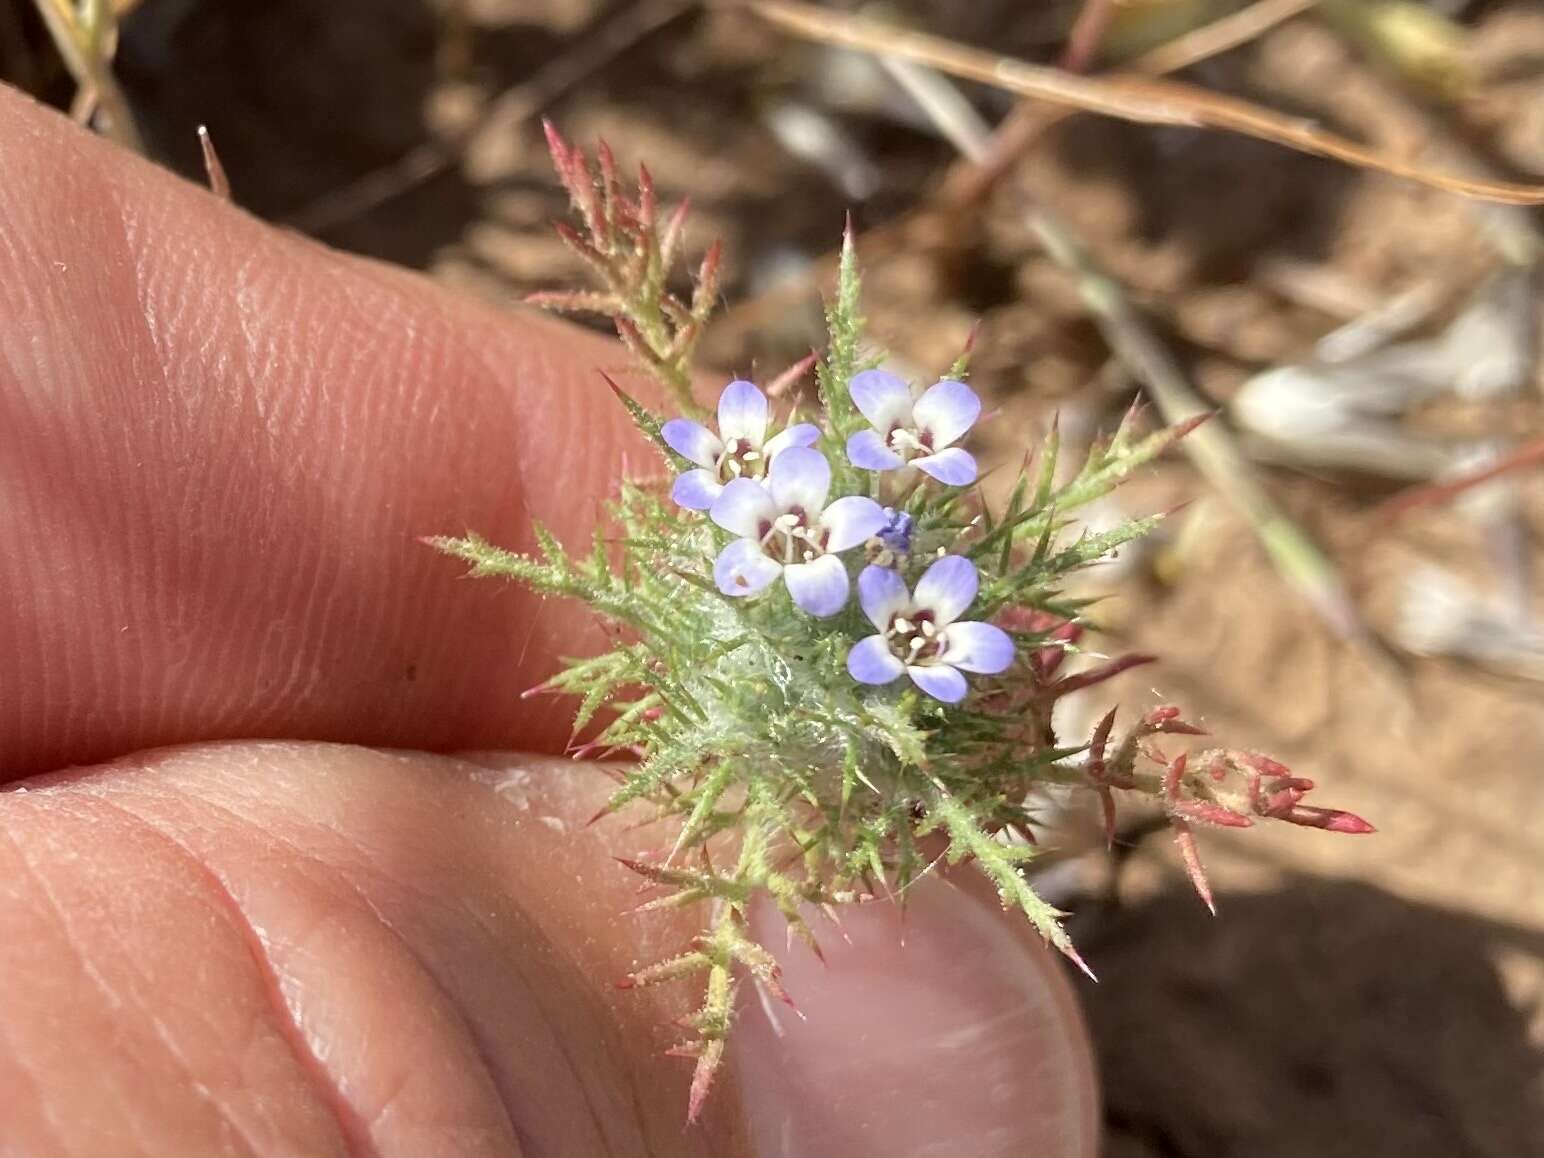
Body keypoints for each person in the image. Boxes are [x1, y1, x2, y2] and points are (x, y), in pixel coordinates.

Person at [0, 84, 1097, 1156]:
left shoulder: (863, 535)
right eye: (780, 522)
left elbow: (907, 628)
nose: (805, 542)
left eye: (914, 634)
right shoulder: (796, 531)